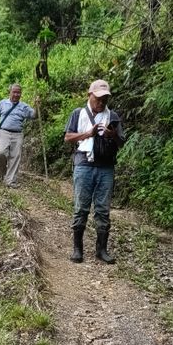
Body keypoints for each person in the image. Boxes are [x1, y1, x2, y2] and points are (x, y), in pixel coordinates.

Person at [64, 79, 126, 264]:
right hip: (83, 164)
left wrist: (113, 135)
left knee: (103, 209)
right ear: (89, 95)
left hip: (106, 166)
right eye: (98, 98)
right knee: (81, 207)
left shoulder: (113, 116)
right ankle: (77, 249)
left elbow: (122, 142)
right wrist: (88, 134)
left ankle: (102, 250)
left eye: (104, 99)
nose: (101, 102)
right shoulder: (78, 113)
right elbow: (68, 137)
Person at [0, 84, 38, 188]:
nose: (16, 94)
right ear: (9, 92)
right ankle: (0, 177)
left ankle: (10, 181)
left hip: (17, 134)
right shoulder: (2, 103)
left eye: (18, 92)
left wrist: (37, 105)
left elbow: (34, 115)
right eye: (14, 92)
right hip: (3, 132)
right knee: (1, 153)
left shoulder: (24, 106)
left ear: (21, 94)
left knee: (15, 157)